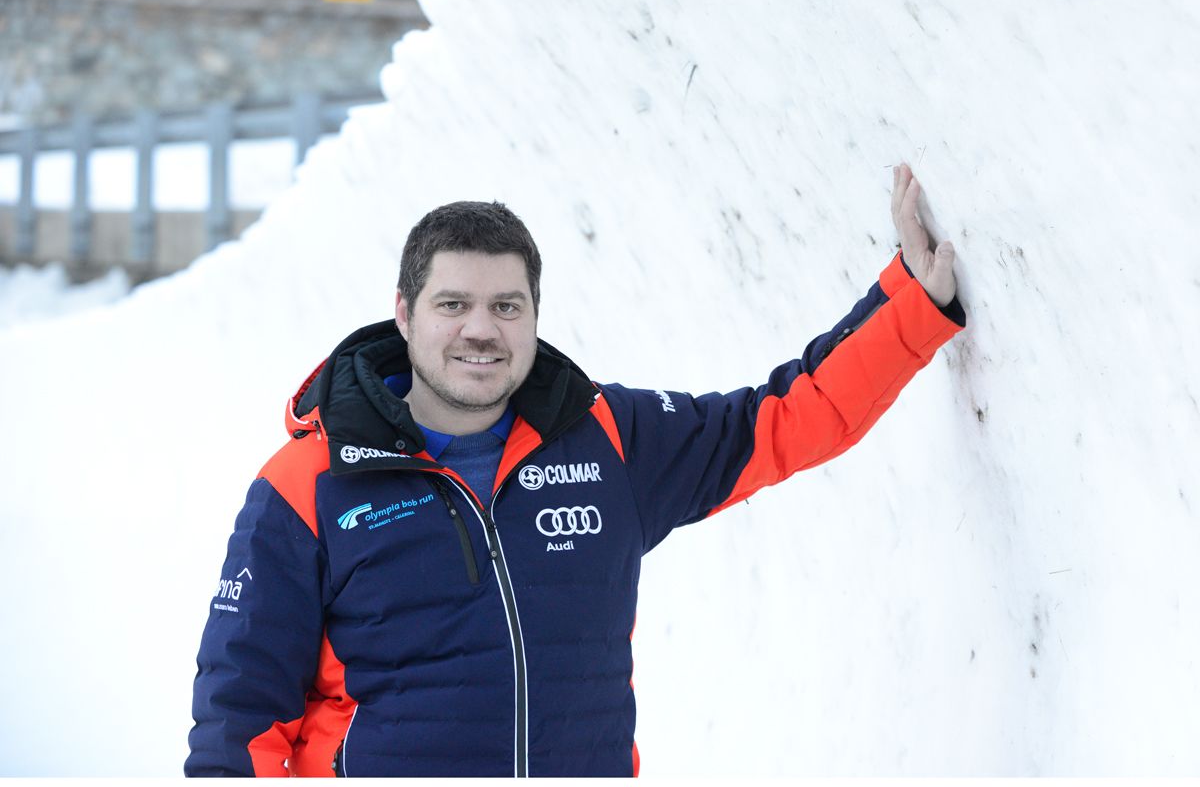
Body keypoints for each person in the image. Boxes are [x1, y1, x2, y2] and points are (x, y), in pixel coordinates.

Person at [186, 164, 965, 777]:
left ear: (534, 313)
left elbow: (785, 419)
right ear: (404, 312)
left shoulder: (607, 440)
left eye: (507, 306)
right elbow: (237, 716)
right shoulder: (308, 484)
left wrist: (912, 302)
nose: (481, 330)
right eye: (453, 304)